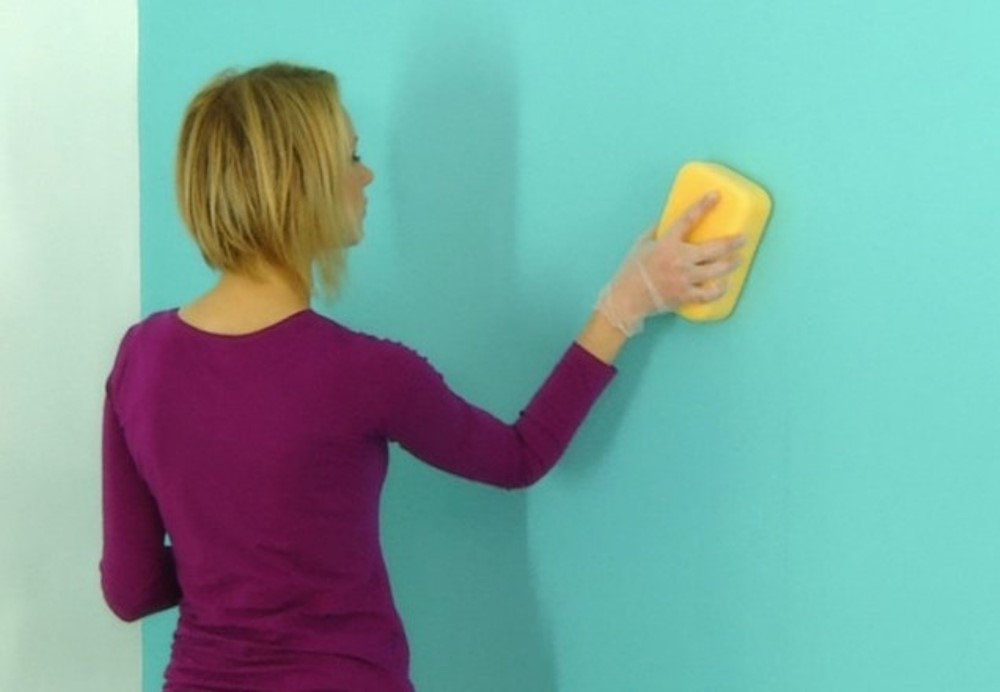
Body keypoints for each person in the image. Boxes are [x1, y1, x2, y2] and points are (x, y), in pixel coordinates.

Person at [100, 62, 744, 691]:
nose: (369, 175)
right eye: (352, 157)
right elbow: (519, 457)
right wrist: (626, 302)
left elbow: (130, 591)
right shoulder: (361, 373)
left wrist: (233, 555)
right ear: (300, 185)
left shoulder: (141, 357)